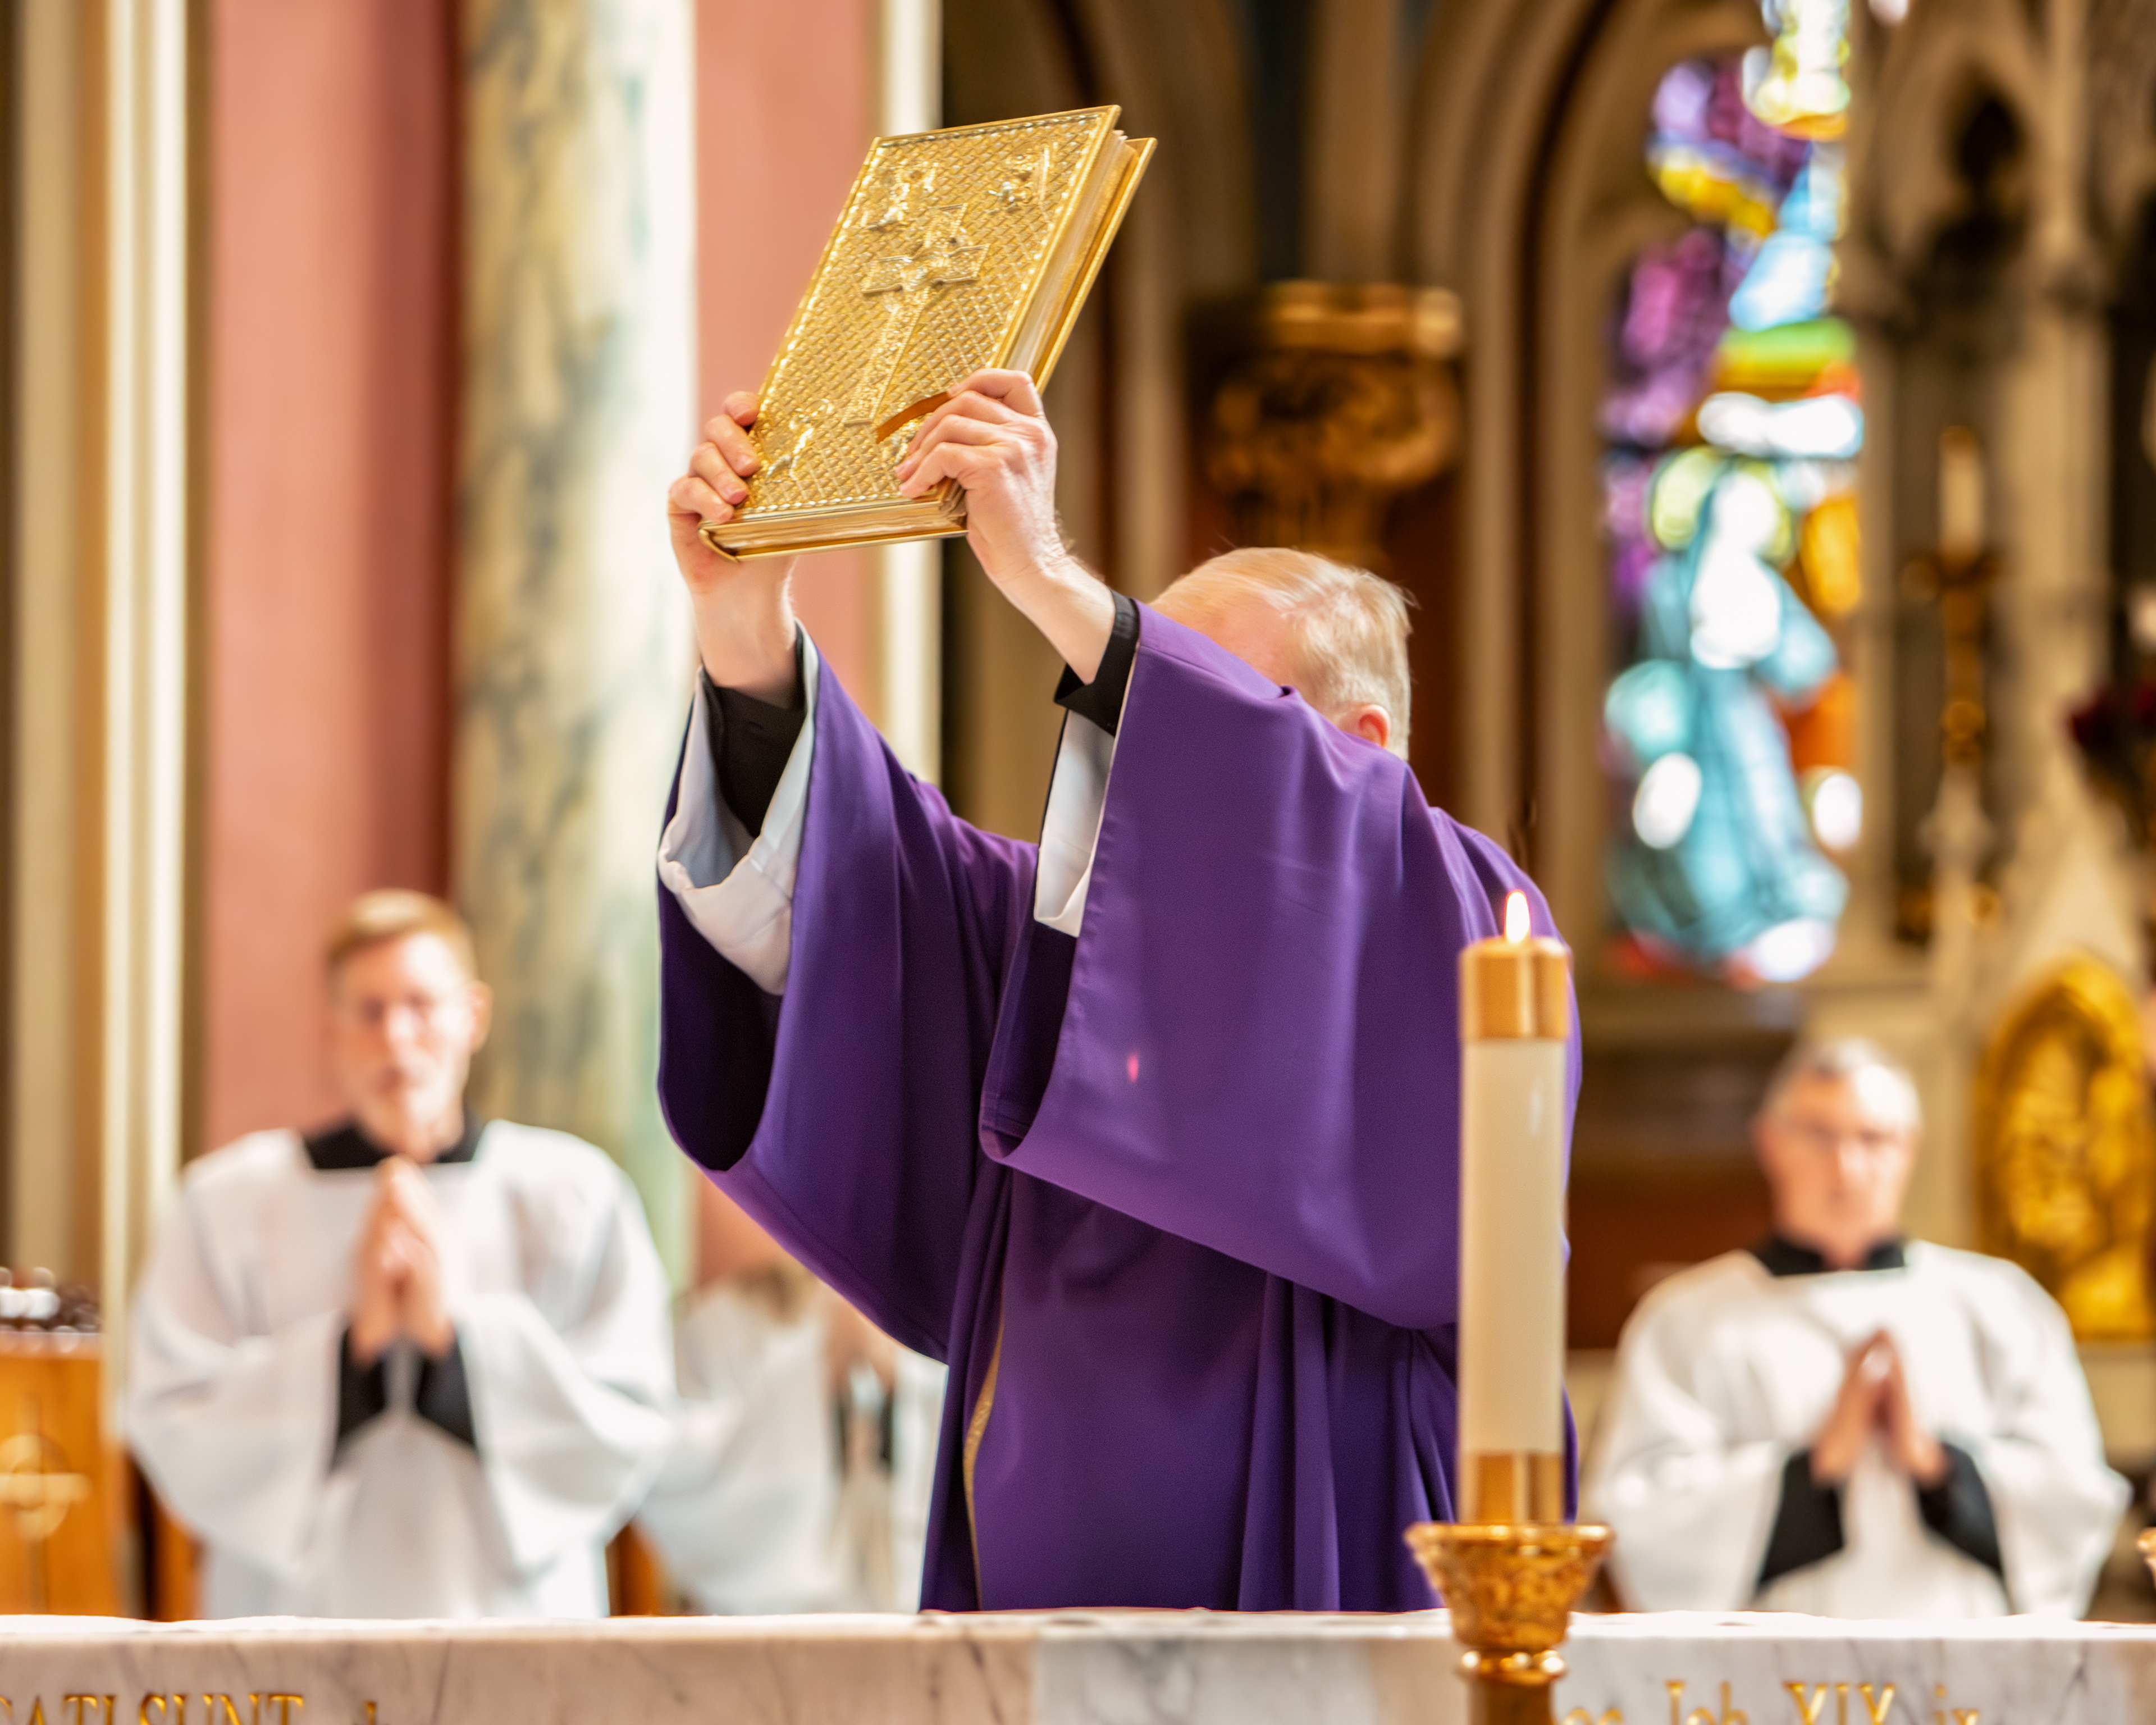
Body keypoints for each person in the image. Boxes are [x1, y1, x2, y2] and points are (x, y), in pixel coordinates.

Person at [654, 370, 1577, 1611]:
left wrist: (1049, 578)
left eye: (1177, 704)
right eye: (1125, 707)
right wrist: (744, 629)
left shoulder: (1461, 921)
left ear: (1356, 753)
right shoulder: (1051, 958)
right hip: (1039, 1622)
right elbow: (854, 903)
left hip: (1329, 1586)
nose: (1136, 749)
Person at [128, 891, 675, 1618]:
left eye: (421, 1005)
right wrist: (351, 1357)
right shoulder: (227, 1203)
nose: (396, 1037)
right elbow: (173, 1421)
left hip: (514, 1624)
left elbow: (629, 1421)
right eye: (369, 1011)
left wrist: (455, 1346)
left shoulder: (574, 1195)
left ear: (472, 1016)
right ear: (331, 1031)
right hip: (294, 1622)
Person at [1584, 1037, 2128, 1617]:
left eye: (1873, 1138)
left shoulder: (2001, 1306)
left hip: (1959, 1661)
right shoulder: (1687, 1319)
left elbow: (2073, 1501)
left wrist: (1937, 1466)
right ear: (1770, 1142)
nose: (1846, 1166)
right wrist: (1813, 1472)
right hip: (1770, 1666)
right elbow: (1643, 1516)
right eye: (1820, 1135)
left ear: (1909, 1148)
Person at [636, 1181, 946, 1613]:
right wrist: (817, 1376)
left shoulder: (937, 1320)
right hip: (762, 1626)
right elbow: (673, 1472)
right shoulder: (728, 1320)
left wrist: (900, 1382)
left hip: (911, 1625)